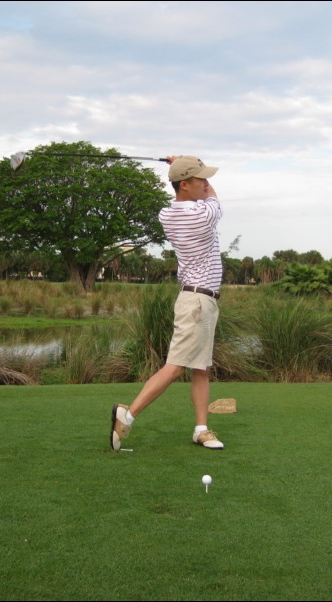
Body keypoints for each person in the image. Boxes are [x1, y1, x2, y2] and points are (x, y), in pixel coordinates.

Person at [110, 155, 224, 451]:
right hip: (197, 300)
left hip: (200, 299)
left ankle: (201, 428)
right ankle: (128, 415)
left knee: (201, 368)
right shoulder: (202, 213)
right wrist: (182, 168)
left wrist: (182, 168)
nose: (206, 183)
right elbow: (213, 198)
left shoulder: (167, 213)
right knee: (175, 367)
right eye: (200, 179)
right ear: (185, 185)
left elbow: (190, 193)